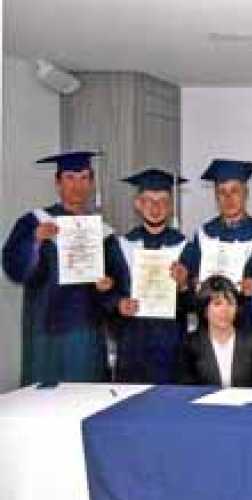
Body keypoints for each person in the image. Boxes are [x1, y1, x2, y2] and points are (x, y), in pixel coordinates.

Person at [2, 151, 112, 384]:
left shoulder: (101, 230)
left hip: (86, 329)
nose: (77, 185)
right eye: (70, 177)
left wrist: (108, 284)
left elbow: (116, 281)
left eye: (84, 178)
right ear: (57, 182)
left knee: (85, 396)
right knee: (45, 399)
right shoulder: (34, 222)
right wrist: (35, 239)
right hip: (45, 327)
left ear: (92, 183)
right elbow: (14, 268)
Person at [101, 168, 191, 383]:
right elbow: (105, 295)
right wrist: (118, 304)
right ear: (138, 204)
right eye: (148, 200)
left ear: (170, 207)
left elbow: (195, 302)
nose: (156, 207)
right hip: (133, 344)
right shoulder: (119, 246)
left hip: (172, 344)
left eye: (162, 201)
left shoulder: (187, 247)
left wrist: (184, 285)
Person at [178, 159, 252, 331]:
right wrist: (192, 283)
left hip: (247, 327)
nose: (229, 198)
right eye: (222, 192)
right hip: (209, 328)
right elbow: (190, 286)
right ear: (215, 196)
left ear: (246, 193)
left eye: (235, 191)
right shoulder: (203, 234)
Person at [176, 275, 252, 388]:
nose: (225, 310)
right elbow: (184, 388)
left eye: (230, 304)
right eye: (217, 304)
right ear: (205, 310)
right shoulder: (191, 344)